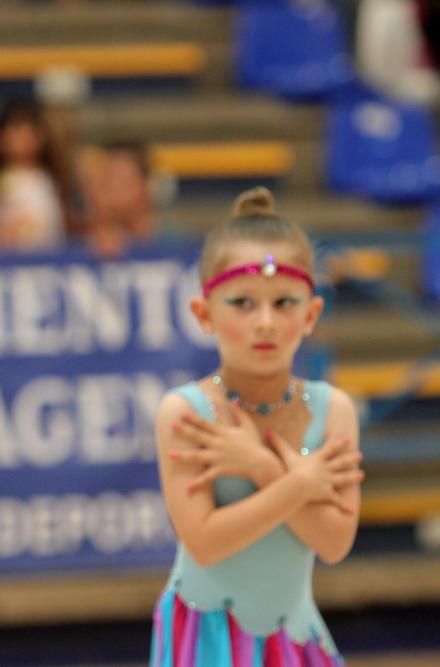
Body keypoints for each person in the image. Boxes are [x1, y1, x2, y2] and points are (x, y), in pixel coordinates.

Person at [150, 187, 363, 666]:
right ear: (204, 314)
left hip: (295, 634)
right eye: (243, 303)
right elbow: (204, 542)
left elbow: (333, 543)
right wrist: (299, 485)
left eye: (284, 303)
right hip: (205, 636)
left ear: (311, 314)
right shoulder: (185, 412)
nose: (265, 322)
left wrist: (262, 467)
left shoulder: (334, 410)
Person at [0, 100, 69, 250]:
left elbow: (69, 224)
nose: (21, 138)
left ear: (41, 137)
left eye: (28, 130)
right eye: (14, 130)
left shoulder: (55, 180)